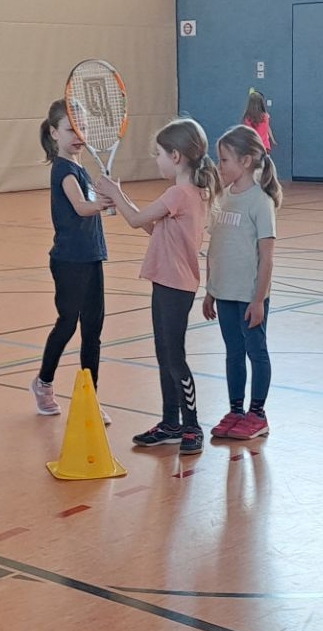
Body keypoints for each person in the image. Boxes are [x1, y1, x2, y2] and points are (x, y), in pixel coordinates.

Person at [94, 119, 221, 456]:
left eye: (159, 154)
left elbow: (136, 220)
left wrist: (116, 192)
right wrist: (117, 196)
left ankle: (190, 425)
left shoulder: (179, 193)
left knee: (174, 357)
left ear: (176, 156)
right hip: (167, 282)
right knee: (165, 354)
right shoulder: (189, 193)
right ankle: (170, 423)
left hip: (175, 285)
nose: (156, 160)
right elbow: (152, 227)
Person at [31, 100, 115, 422]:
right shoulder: (64, 170)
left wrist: (106, 199)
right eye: (70, 129)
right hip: (68, 261)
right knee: (68, 324)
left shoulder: (82, 169)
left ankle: (89, 399)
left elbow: (94, 208)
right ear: (54, 133)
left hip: (92, 255)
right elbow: (81, 207)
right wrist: (106, 200)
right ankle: (44, 383)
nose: (78, 135)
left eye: (82, 128)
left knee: (93, 330)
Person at [202, 125, 282, 441]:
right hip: (224, 294)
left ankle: (257, 414)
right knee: (233, 352)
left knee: (255, 352)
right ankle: (236, 410)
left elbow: (267, 257)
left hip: (250, 296)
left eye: (223, 161)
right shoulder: (221, 199)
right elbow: (215, 249)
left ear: (246, 161)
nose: (219, 167)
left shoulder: (259, 203)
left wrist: (259, 299)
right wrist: (210, 290)